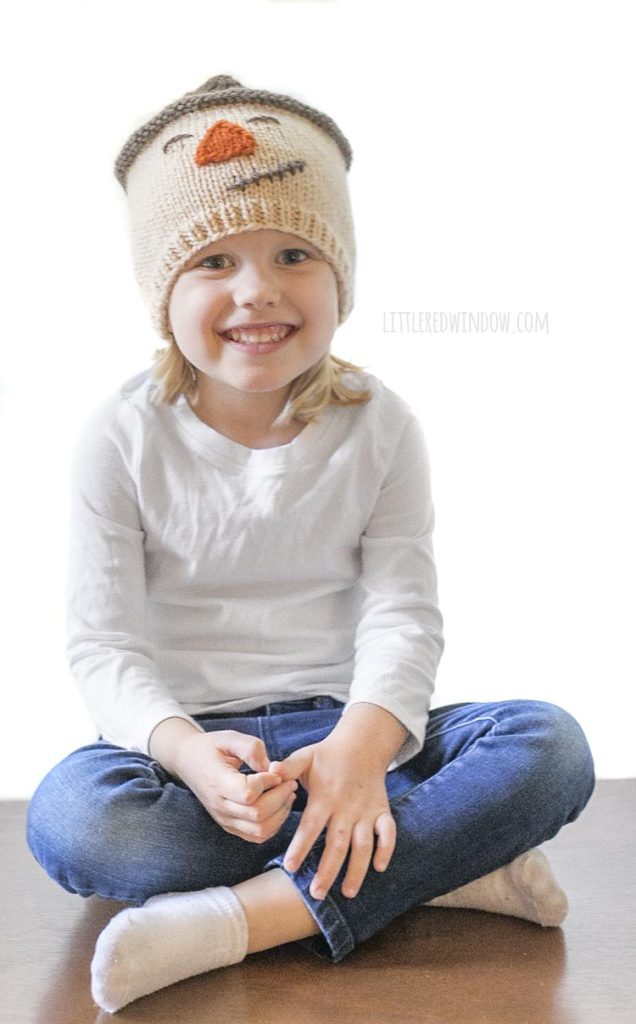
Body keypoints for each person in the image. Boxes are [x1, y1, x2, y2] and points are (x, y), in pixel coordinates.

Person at [26, 75, 595, 1014]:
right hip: (204, 759)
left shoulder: (381, 424)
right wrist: (190, 755)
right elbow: (105, 647)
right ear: (162, 291)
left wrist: (361, 752)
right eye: (213, 261)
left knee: (551, 746)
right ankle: (436, 863)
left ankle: (246, 917)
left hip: (359, 732)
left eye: (294, 252)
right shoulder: (119, 436)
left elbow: (404, 610)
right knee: (79, 824)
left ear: (341, 276)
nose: (258, 290)